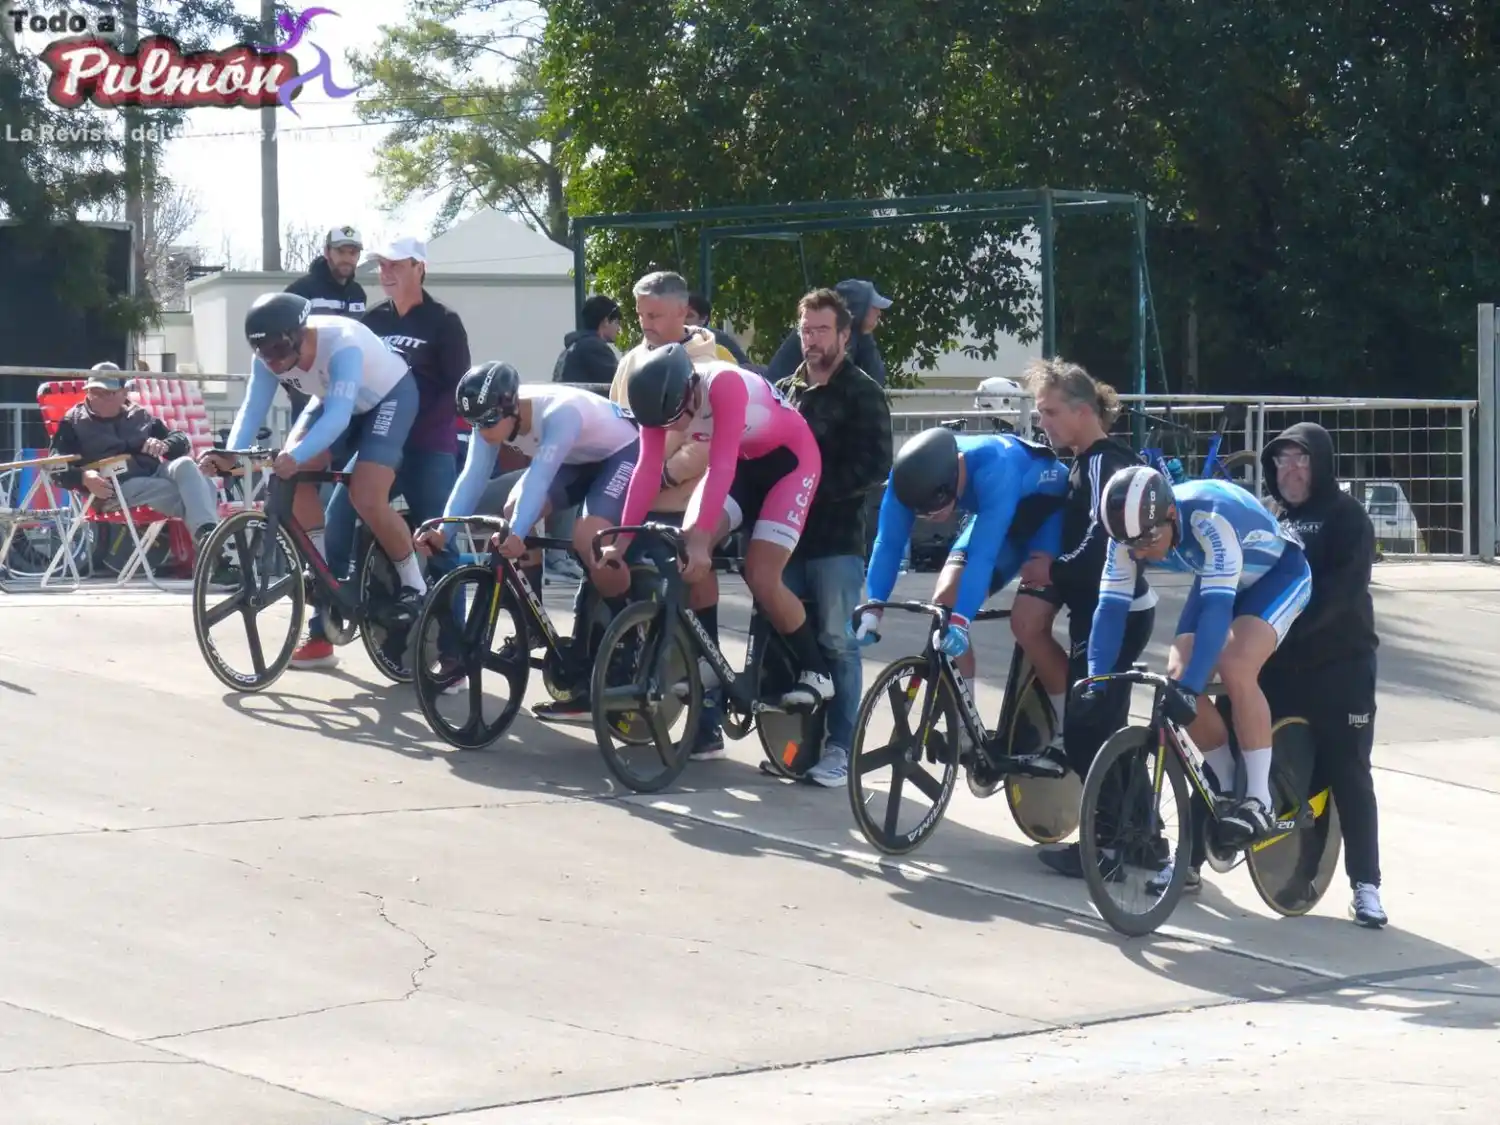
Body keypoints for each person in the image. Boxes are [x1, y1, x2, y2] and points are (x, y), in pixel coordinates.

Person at [599, 343, 833, 711]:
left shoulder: (723, 384)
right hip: (744, 465)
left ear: (688, 391)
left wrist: (703, 539)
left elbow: (719, 466)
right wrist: (622, 539)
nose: (672, 428)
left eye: (675, 418)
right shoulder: (656, 403)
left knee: (761, 574)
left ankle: (817, 671)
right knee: (687, 545)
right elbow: (646, 470)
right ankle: (709, 660)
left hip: (789, 465)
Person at [1088, 466, 1312, 847]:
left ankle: (1259, 799)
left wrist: (1193, 689)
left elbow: (1217, 612)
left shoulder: (1212, 519)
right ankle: (1226, 786)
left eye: (1146, 540)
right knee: (1176, 673)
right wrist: (1096, 681)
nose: (1139, 553)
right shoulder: (1126, 537)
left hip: (1278, 575)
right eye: (1130, 546)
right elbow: (1110, 610)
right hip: (1218, 574)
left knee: (1235, 665)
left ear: (1171, 516)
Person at [416, 362, 640, 718]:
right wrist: (445, 531)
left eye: (489, 423)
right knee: (512, 510)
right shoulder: (490, 417)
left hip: (621, 453)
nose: (484, 432)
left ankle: (631, 631)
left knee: (589, 537)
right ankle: (534, 626)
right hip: (576, 458)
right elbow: (472, 477)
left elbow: (540, 479)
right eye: (476, 424)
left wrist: (519, 534)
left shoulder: (558, 413)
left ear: (511, 407)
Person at [855, 426, 1070, 779]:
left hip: (1045, 515)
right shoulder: (906, 478)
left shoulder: (994, 465)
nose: (931, 519)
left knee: (1027, 624)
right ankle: (969, 733)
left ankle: (1067, 731)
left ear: (956, 471)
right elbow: (888, 543)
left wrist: (963, 621)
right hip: (992, 512)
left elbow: (984, 557)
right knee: (945, 603)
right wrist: (873, 605)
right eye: (922, 513)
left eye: (938, 509)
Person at [205, 293, 424, 639]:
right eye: (265, 354)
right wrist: (230, 454)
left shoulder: (342, 343)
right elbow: (252, 408)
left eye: (280, 350)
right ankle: (321, 571)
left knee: (365, 495)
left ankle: (415, 585)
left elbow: (337, 418)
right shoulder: (266, 357)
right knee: (289, 477)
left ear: (301, 334)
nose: (274, 362)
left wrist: (295, 456)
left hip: (388, 399)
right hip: (333, 400)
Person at [299, 236, 470, 669]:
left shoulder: (445, 322)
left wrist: (411, 422)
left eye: (395, 264)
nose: (385, 272)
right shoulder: (372, 319)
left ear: (420, 267)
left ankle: (454, 653)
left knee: (439, 541)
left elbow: (456, 390)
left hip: (429, 445)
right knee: (337, 521)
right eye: (381, 265)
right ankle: (322, 630)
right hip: (377, 442)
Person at [1017, 359, 1159, 880]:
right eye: (1039, 413)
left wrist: (1053, 568)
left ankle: (1111, 847)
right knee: (1103, 729)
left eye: (1050, 412)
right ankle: (1147, 843)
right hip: (1107, 610)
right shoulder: (1086, 459)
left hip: (1115, 612)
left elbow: (1102, 542)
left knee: (1087, 732)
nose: (1043, 423)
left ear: (1082, 411)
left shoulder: (1103, 462)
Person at [608, 270, 742, 757]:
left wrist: (666, 475)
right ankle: (616, 690)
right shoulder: (631, 362)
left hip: (695, 500)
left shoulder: (717, 359)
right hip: (645, 496)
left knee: (691, 600)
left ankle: (706, 717)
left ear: (683, 312)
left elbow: (713, 447)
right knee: (630, 591)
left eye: (655, 316)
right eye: (640, 314)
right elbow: (623, 432)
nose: (644, 324)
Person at [1259, 422, 1386, 927]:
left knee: (1347, 773)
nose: (1290, 470)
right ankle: (1196, 861)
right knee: (1262, 762)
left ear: (1322, 464)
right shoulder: (1271, 518)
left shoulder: (1347, 517)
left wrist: (1285, 629)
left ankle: (1366, 885)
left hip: (1342, 667)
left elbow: (1344, 592)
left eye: (1301, 460)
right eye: (1282, 461)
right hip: (1282, 668)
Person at [775, 288, 892, 787]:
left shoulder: (863, 391)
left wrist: (812, 490)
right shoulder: (786, 389)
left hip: (838, 540)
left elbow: (877, 465)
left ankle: (841, 750)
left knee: (839, 643)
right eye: (806, 331)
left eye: (822, 330)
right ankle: (797, 748)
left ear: (845, 335)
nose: (812, 340)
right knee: (788, 640)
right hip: (783, 536)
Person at [51, 362, 221, 550]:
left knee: (186, 465)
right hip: (115, 487)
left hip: (152, 472)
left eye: (108, 393)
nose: (99, 399)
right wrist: (83, 478)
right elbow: (55, 467)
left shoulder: (138, 415)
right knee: (202, 488)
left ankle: (208, 543)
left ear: (124, 393)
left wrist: (164, 445)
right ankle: (213, 549)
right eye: (94, 392)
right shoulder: (73, 422)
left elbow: (181, 441)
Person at [282, 225, 368, 424]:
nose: (347, 258)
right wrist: (293, 385)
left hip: (348, 386)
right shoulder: (300, 290)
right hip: (309, 389)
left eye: (353, 252)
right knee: (303, 450)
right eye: (340, 251)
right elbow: (281, 341)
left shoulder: (358, 293)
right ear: (327, 252)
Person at [767, 279, 890, 387]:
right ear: (859, 308)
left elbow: (876, 381)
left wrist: (867, 335)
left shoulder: (858, 336)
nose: (879, 313)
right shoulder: (836, 337)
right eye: (873, 307)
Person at [553, 295, 623, 384]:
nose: (618, 329)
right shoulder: (594, 347)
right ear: (605, 321)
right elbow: (620, 380)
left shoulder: (575, 345)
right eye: (616, 322)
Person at [685, 292, 751, 367]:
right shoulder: (672, 340)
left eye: (689, 315)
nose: (682, 320)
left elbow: (746, 368)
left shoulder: (719, 340)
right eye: (680, 314)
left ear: (703, 319)